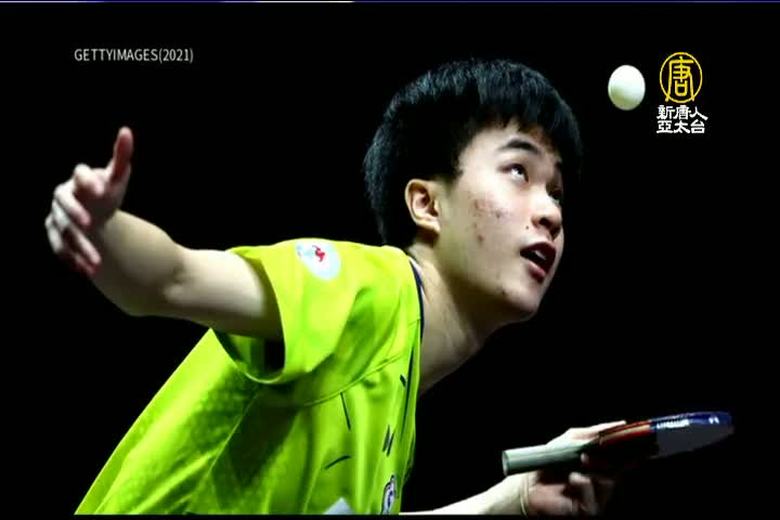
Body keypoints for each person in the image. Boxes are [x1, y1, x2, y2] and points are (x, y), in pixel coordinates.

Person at [46, 58, 624, 515]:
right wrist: (102, 229)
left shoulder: (393, 399)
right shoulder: (366, 291)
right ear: (427, 204)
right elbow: (174, 278)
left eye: (557, 193)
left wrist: (511, 500)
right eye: (519, 171)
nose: (550, 212)